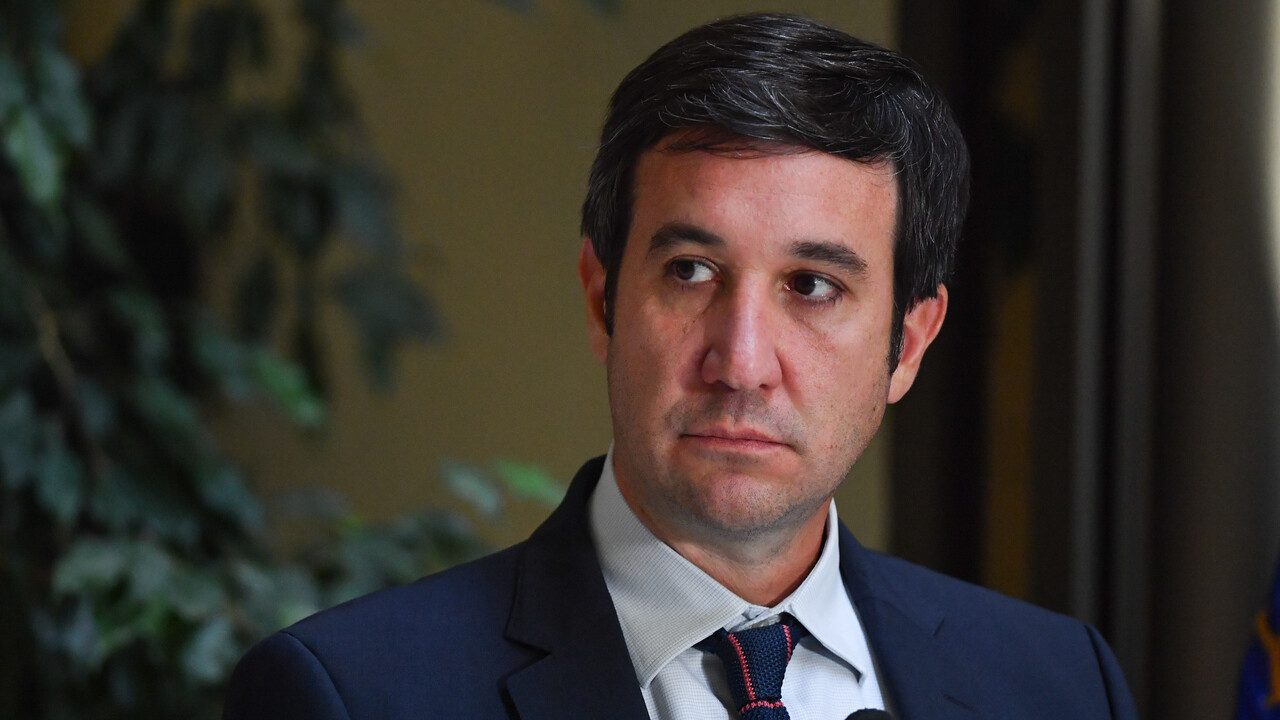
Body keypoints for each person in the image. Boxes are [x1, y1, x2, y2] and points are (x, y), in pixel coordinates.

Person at [224, 12, 1138, 720]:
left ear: (909, 343)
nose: (741, 362)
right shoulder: (351, 696)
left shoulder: (1060, 686)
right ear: (602, 301)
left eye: (813, 286)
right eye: (691, 272)